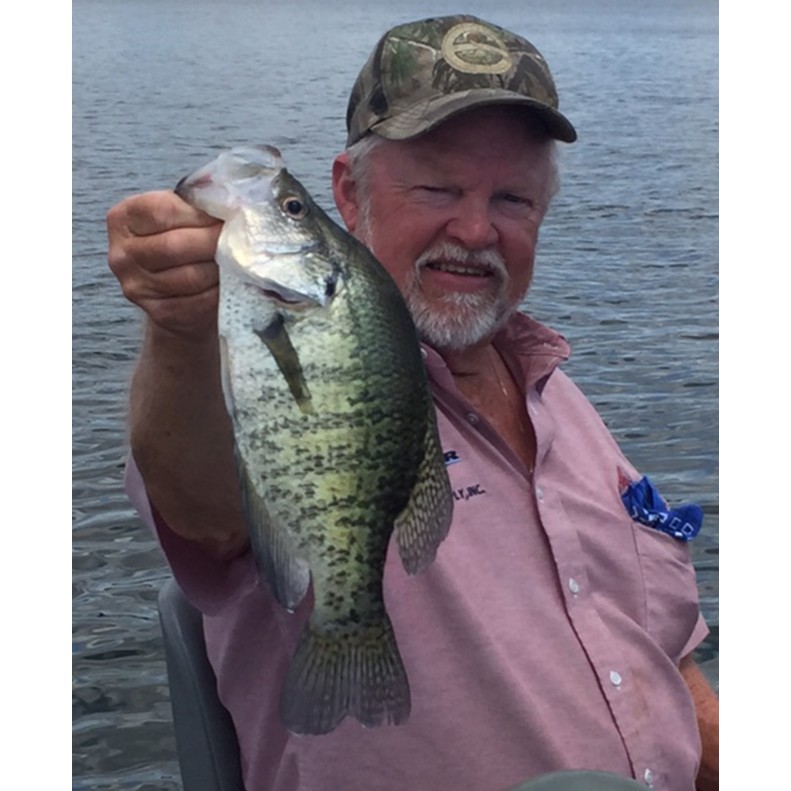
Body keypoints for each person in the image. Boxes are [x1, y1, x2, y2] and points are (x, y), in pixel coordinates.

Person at [106, 14, 718, 791]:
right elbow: (206, 508)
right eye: (437, 188)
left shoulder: (561, 399)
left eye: (512, 198)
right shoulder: (261, 363)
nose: (475, 228)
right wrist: (181, 329)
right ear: (347, 192)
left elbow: (664, 658)